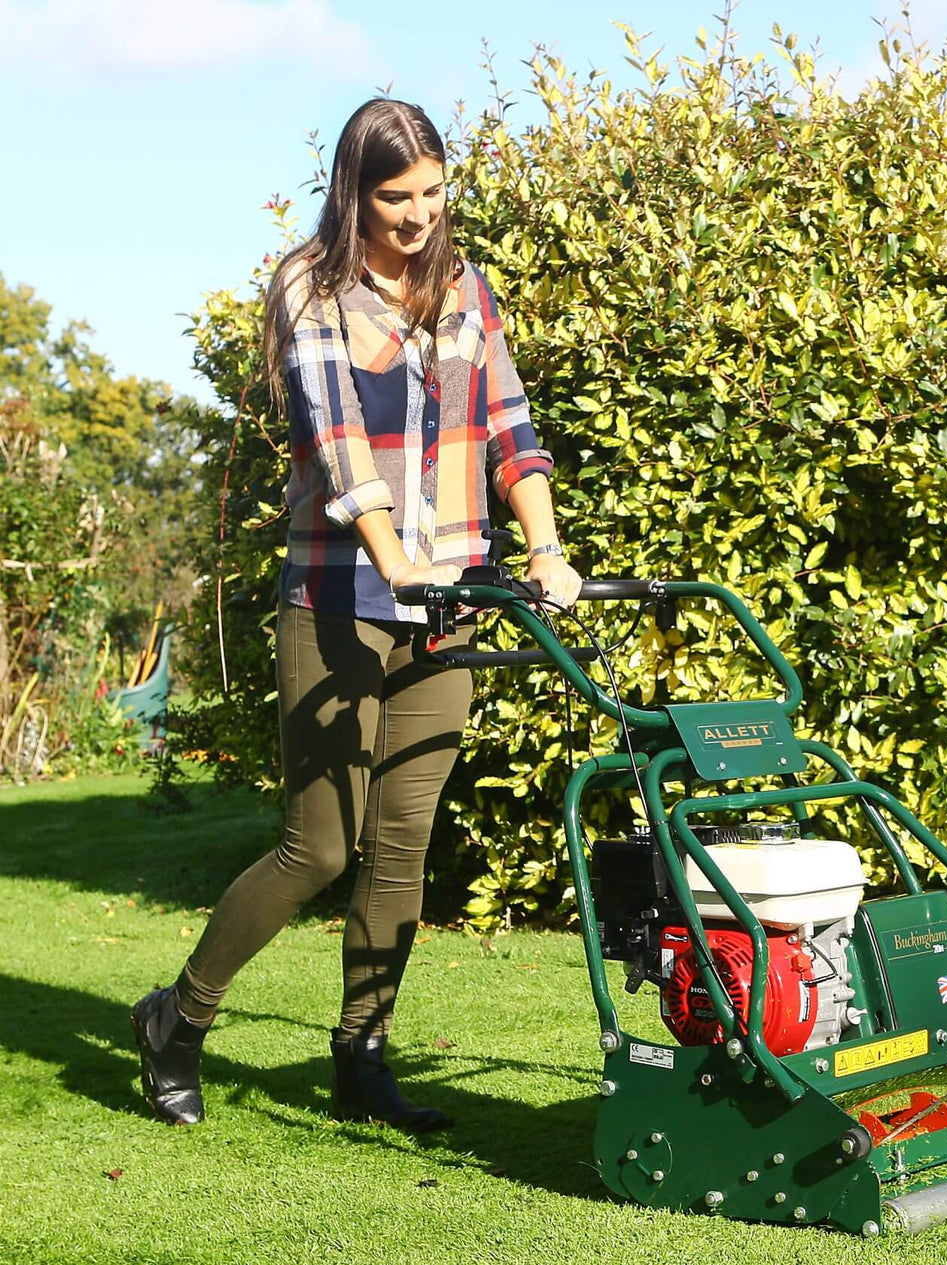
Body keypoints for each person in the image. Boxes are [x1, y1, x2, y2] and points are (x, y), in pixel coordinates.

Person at [131, 98, 582, 1131]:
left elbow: (509, 425)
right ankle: (178, 1018)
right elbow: (335, 436)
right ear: (355, 192)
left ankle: (362, 1056)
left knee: (403, 843)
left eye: (432, 191)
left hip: (450, 597)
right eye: (396, 197)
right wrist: (395, 560)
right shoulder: (313, 287)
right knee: (320, 845)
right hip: (340, 594)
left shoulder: (466, 289)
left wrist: (544, 547)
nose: (418, 214)